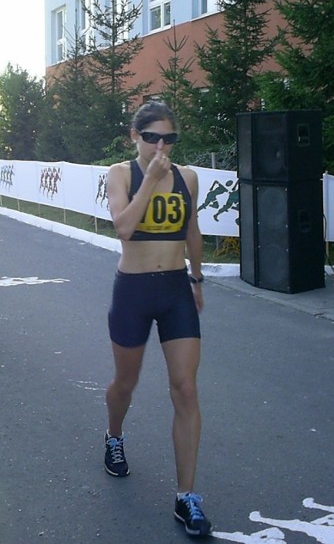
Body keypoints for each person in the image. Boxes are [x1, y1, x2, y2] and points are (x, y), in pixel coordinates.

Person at [104, 100, 212, 538]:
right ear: (135, 137)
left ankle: (187, 497)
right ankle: (114, 435)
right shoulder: (121, 174)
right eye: (151, 137)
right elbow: (124, 227)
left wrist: (197, 278)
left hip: (174, 291)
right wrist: (149, 180)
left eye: (169, 138)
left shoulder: (188, 177)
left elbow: (191, 230)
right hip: (133, 291)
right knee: (124, 384)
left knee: (185, 388)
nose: (160, 145)